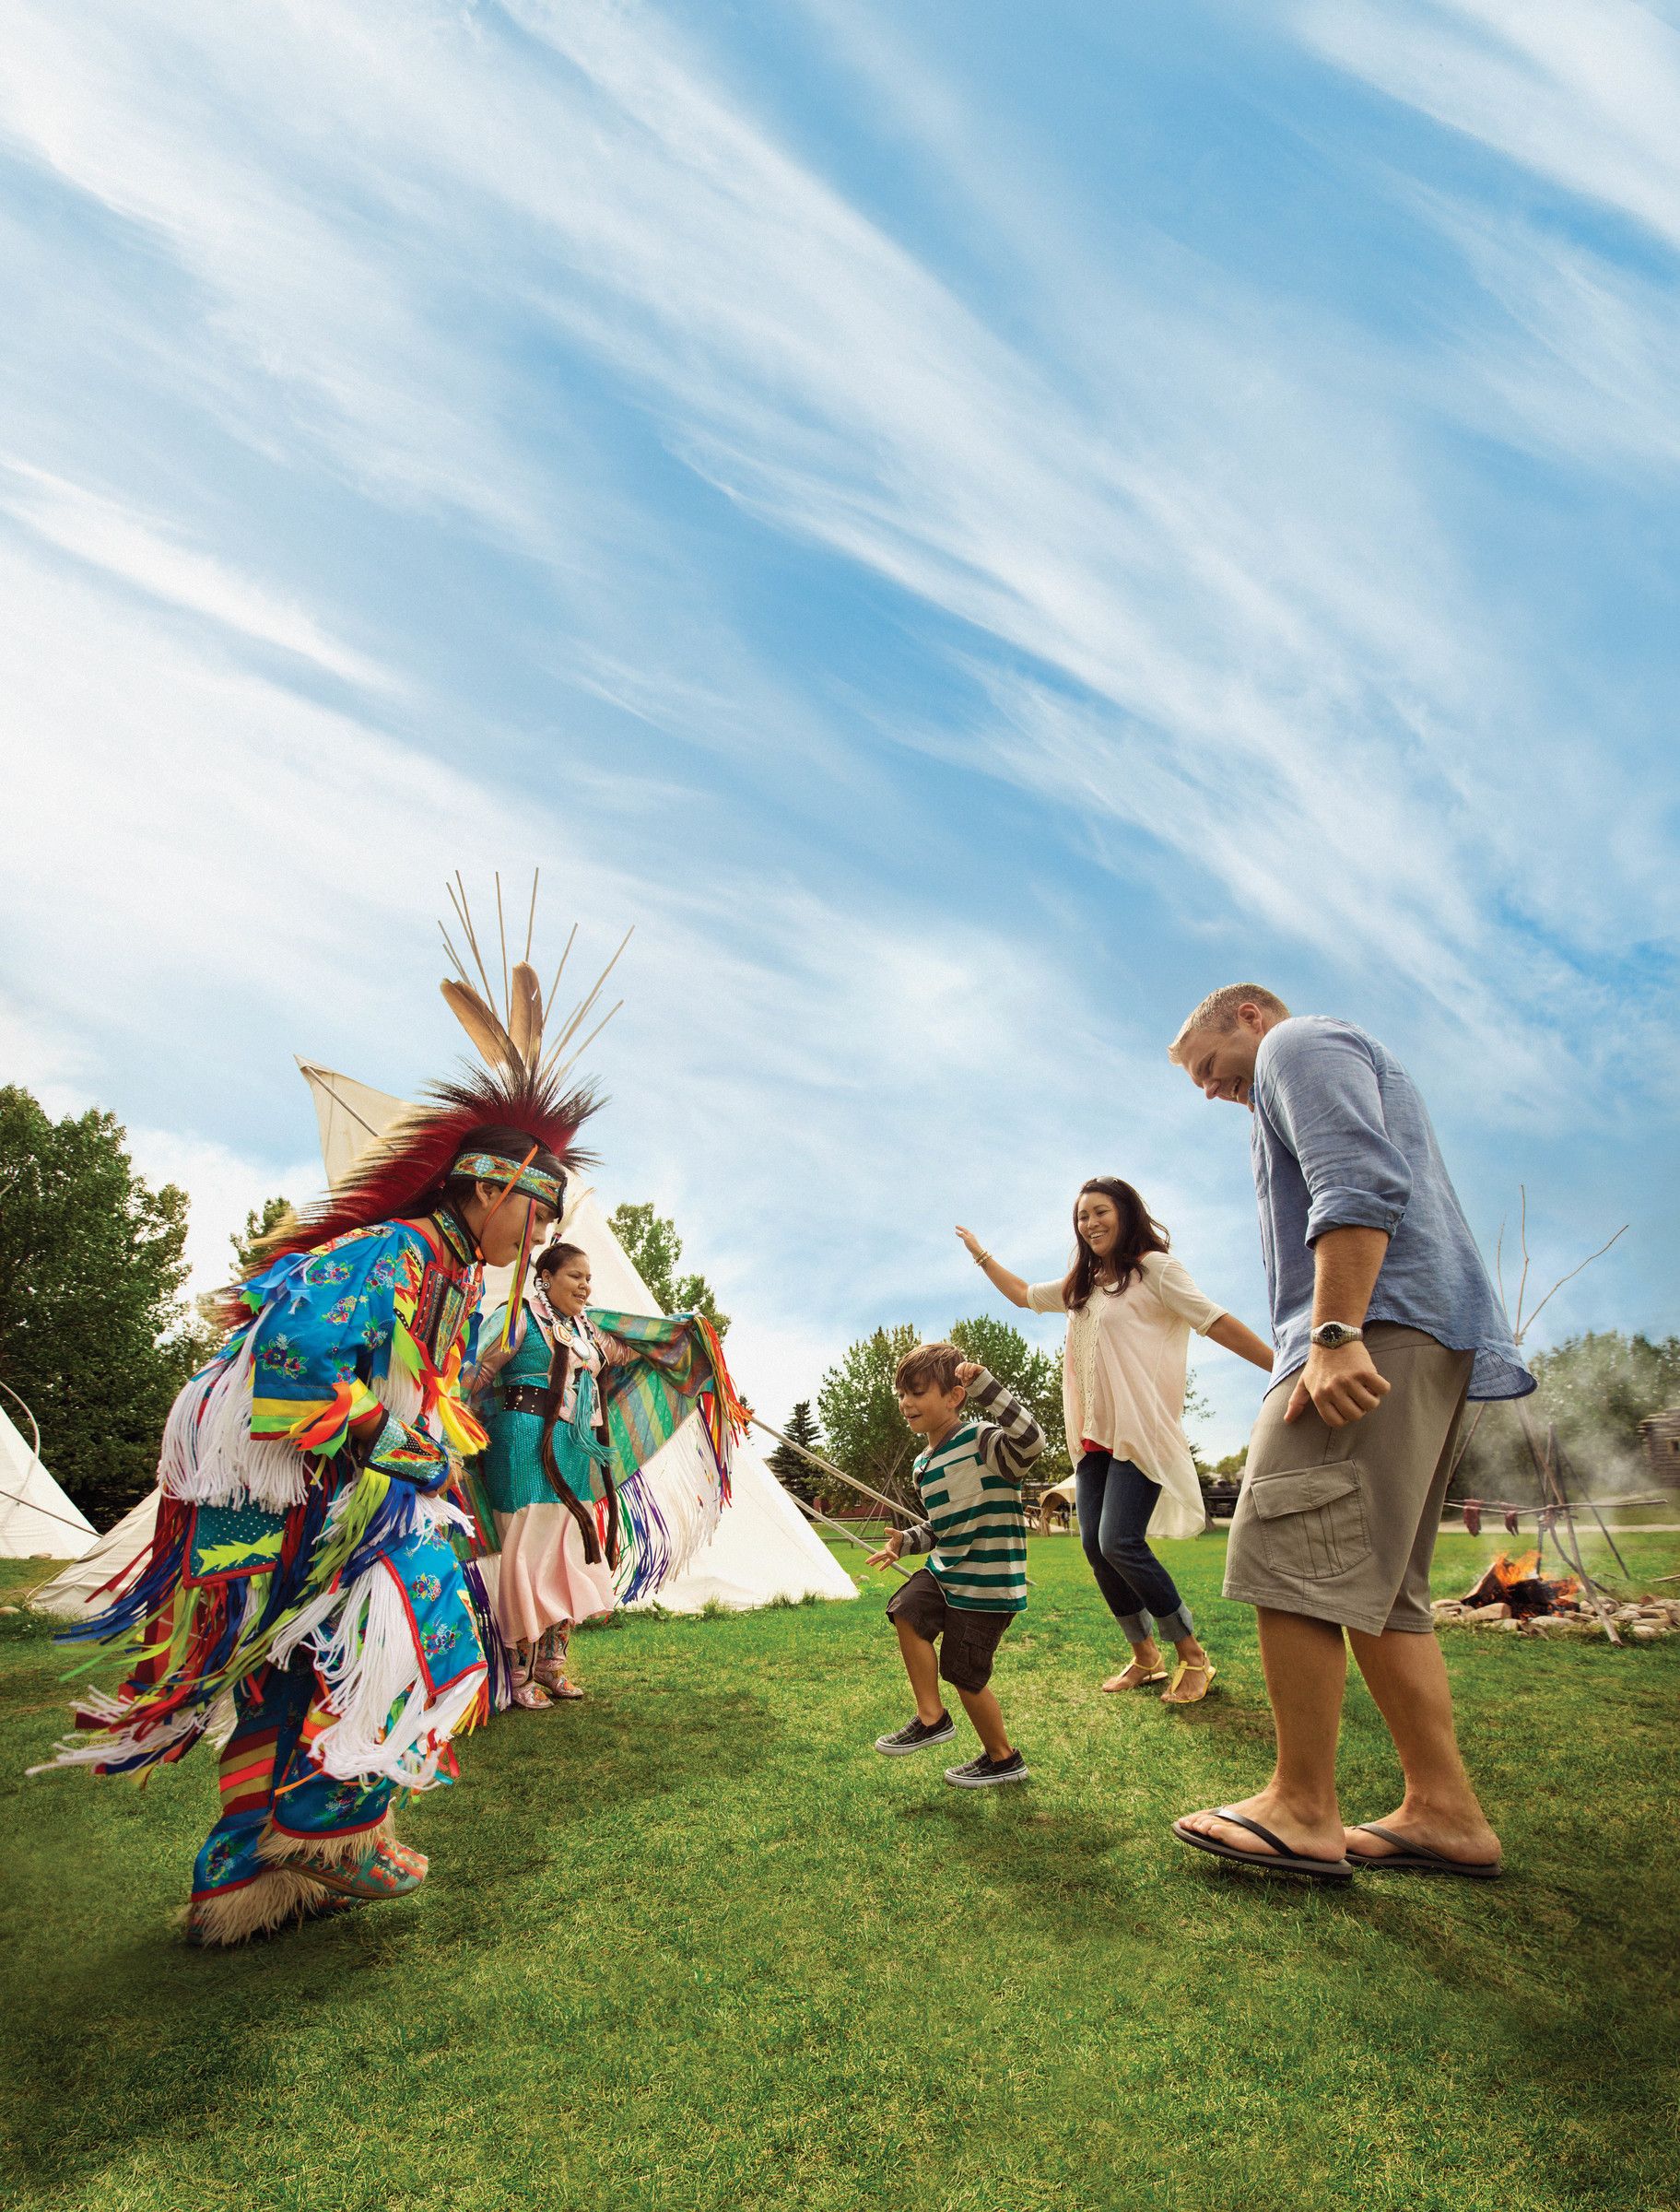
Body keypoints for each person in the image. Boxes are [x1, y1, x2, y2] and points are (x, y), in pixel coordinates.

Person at [41, 1063, 592, 1945]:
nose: (542, 1233)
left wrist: (429, 1452)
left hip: (326, 1489)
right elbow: (294, 1361)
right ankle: (328, 1824)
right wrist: (410, 1453)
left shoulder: (451, 1279)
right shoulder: (394, 1250)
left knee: (295, 1664)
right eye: (538, 1212)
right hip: (283, 1487)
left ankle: (242, 1890)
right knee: (424, 1625)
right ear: (489, 1188)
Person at [1165, 985, 1532, 1882]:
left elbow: (1357, 1180)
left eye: (1205, 1065)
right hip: (1418, 1333)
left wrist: (1332, 1334)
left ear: (1248, 1015)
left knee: (1284, 1548)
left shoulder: (1294, 1045)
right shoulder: (1314, 1059)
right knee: (1383, 1595)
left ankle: (1299, 1808)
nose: (1207, 1089)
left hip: (1370, 1327)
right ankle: (1443, 1814)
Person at [957, 1183, 1273, 1705]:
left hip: (1138, 1432)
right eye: (1082, 1216)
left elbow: (1213, 1320)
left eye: (1100, 1212)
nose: (1090, 1223)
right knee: (1095, 1547)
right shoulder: (1083, 1285)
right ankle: (1146, 1656)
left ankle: (1193, 1655)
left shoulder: (1155, 1270)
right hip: (1092, 1441)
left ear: (1124, 1214)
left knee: (1119, 1542)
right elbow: (1022, 1294)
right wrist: (981, 1254)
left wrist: (1283, 1367)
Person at [867, 1344, 1045, 1788]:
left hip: (986, 1584)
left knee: (963, 1673)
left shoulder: (984, 1440)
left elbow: (1032, 1440)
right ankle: (932, 1718)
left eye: (917, 1392)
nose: (906, 1403)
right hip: (946, 1572)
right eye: (901, 1394)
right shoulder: (922, 1465)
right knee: (906, 1610)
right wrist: (907, 1541)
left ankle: (1003, 1758)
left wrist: (986, 1386)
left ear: (954, 1396)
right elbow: (943, 1525)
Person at [472, 1241, 632, 1708]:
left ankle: (551, 1663)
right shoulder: (517, 1317)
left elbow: (627, 1353)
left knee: (569, 1550)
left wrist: (678, 1336)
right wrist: (446, 1419)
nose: (585, 1286)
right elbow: (477, 1369)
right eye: (575, 1276)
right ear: (545, 1277)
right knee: (526, 1548)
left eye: (588, 1278)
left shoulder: (586, 1329)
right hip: (522, 1440)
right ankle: (517, 1671)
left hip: (572, 1447)